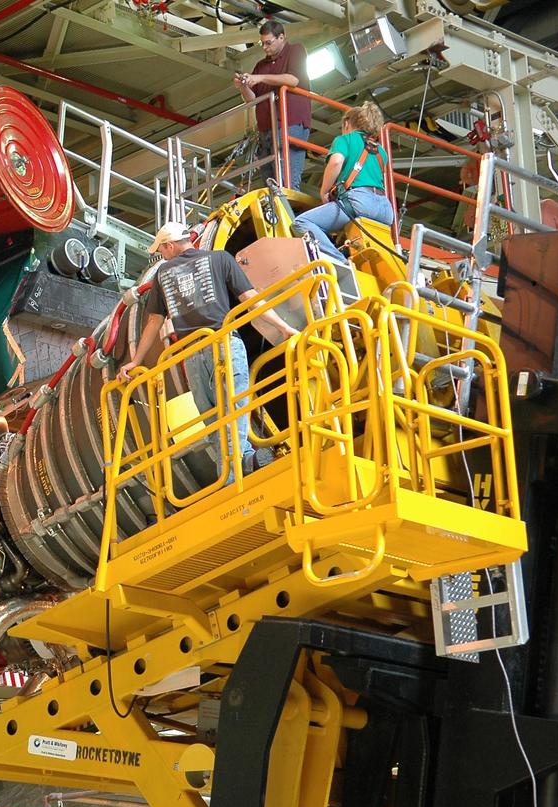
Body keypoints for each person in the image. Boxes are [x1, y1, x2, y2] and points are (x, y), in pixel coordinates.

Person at [127, 222, 298, 478]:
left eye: (161, 250)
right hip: (224, 343)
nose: (162, 255)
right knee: (234, 412)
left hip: (192, 353)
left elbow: (154, 321)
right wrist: (283, 327)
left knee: (213, 421)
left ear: (169, 245)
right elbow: (250, 299)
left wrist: (135, 361)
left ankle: (234, 475)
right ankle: (240, 469)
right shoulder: (220, 259)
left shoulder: (163, 273)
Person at [292, 103, 395, 262]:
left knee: (302, 222)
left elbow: (336, 162)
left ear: (347, 124)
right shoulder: (381, 151)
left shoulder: (345, 139)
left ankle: (341, 262)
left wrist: (324, 191)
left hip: (360, 202)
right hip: (385, 210)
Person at [233, 21, 312, 188]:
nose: (265, 47)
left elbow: (293, 80)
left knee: (287, 180)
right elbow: (251, 99)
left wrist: (260, 78)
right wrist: (243, 86)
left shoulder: (295, 50)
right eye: (262, 43)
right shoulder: (261, 66)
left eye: (268, 43)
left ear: (281, 37)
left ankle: (288, 205)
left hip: (290, 123)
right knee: (270, 183)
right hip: (266, 130)